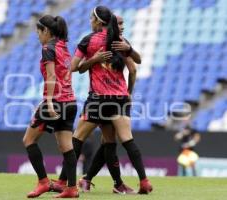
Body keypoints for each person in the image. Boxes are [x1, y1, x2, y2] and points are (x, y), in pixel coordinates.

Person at [51, 6, 152, 195]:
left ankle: (64, 181)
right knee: (120, 140)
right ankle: (140, 182)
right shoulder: (120, 41)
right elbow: (136, 64)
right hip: (120, 99)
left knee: (77, 139)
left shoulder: (88, 40)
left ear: (98, 21)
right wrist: (129, 90)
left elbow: (74, 67)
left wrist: (93, 60)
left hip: (98, 99)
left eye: (91, 18)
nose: (90, 21)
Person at [77, 15, 141, 192]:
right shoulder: (107, 41)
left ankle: (88, 179)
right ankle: (115, 184)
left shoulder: (120, 42)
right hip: (108, 98)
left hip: (109, 98)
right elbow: (134, 68)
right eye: (119, 23)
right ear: (111, 24)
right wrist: (129, 92)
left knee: (108, 142)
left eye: (123, 23)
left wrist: (129, 48)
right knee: (108, 142)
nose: (123, 26)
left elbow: (136, 62)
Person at [22, 15, 79, 198]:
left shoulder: (48, 48)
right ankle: (71, 188)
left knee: (29, 140)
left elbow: (52, 77)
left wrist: (47, 102)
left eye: (38, 32)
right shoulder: (64, 46)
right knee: (66, 147)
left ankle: (44, 182)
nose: (38, 36)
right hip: (70, 103)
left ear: (46, 31)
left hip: (56, 102)